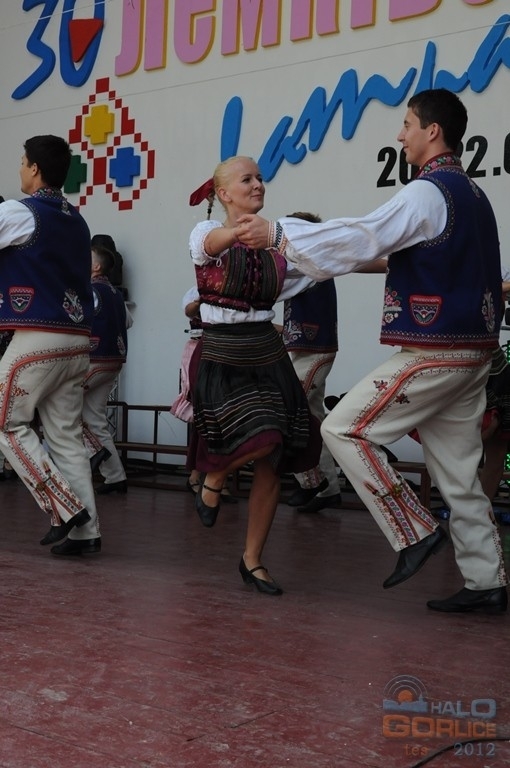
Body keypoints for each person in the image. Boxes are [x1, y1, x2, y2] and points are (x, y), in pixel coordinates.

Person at [235, 89, 509, 613]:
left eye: (407, 124)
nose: (400, 135)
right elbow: (389, 252)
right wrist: (316, 254)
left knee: (343, 429)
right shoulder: (473, 195)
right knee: (458, 476)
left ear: (432, 131)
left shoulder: (427, 192)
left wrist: (279, 233)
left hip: (435, 351)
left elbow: (366, 233)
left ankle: (414, 531)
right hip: (473, 351)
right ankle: (487, 580)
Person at [188, 156, 321, 595]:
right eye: (247, 179)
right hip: (223, 354)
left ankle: (253, 560)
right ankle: (215, 476)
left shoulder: (277, 245)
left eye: (260, 178)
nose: (258, 184)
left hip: (267, 352)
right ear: (224, 193)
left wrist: (395, 261)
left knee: (275, 455)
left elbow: (334, 260)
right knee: (264, 438)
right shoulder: (207, 233)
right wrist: (247, 232)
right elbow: (213, 244)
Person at [0, 134, 100, 555]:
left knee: (5, 422)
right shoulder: (77, 220)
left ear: (35, 168)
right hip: (77, 340)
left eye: (23, 162)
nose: (20, 169)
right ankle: (87, 534)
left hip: (37, 336)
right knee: (66, 437)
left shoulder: (20, 211)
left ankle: (63, 507)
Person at [282, 212, 342, 513]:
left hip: (315, 348)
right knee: (312, 417)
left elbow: (276, 285)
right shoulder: (305, 263)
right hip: (304, 347)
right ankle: (329, 488)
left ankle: (311, 481)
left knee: (292, 410)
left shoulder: (311, 262)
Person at [171, 286, 237, 503]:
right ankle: (200, 477)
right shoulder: (198, 290)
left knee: (223, 418)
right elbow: (189, 310)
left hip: (226, 352)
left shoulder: (235, 288)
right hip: (202, 350)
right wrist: (205, 295)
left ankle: (211, 478)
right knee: (207, 416)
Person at [82, 243, 129, 495]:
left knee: (60, 405)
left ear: (96, 266)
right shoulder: (115, 293)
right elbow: (128, 322)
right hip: (113, 362)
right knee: (95, 419)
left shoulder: (88, 290)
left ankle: (95, 450)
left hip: (93, 360)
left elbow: (75, 318)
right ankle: (115, 477)